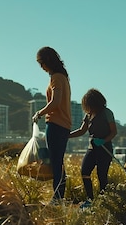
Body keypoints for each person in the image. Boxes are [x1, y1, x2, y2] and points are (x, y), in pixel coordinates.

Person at [32, 46, 71, 205]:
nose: (41, 67)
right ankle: (59, 196)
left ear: (48, 61)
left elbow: (55, 102)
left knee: (56, 163)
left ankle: (57, 198)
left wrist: (39, 113)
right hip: (63, 124)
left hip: (56, 124)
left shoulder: (57, 77)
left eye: (42, 63)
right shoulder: (62, 77)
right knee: (57, 162)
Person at [69, 88, 118, 209]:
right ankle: (90, 200)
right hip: (92, 148)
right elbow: (81, 130)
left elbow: (114, 132)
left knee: (102, 175)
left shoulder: (107, 113)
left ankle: (104, 202)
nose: (88, 107)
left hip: (104, 148)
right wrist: (67, 135)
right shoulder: (88, 115)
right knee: (85, 171)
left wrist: (104, 140)